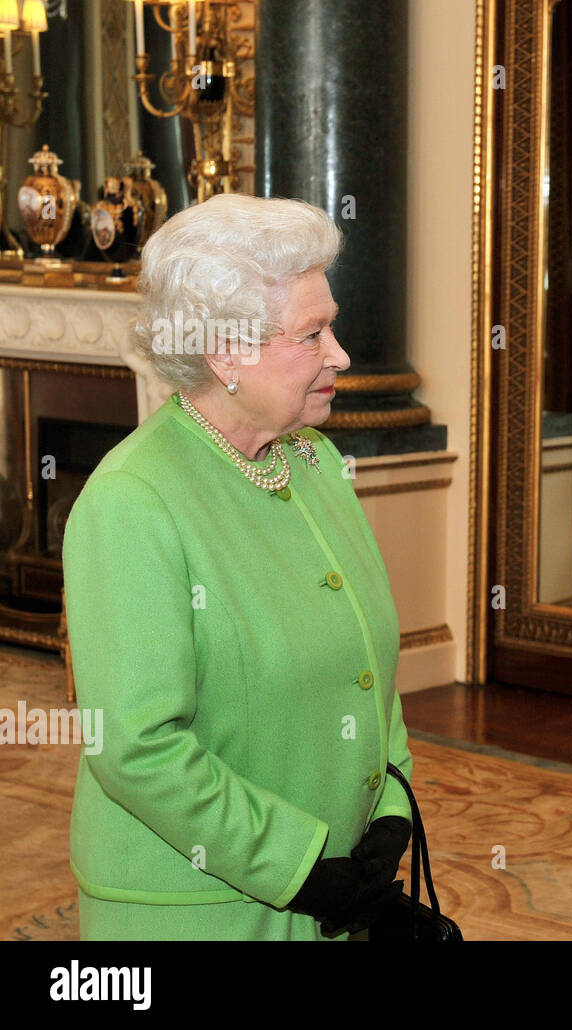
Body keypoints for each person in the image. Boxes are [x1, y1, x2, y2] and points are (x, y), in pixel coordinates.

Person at [62, 194, 416, 940]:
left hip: (334, 890)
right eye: (312, 333)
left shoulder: (315, 463)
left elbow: (364, 663)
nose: (341, 354)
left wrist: (387, 805)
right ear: (225, 351)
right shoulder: (133, 502)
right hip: (200, 909)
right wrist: (302, 864)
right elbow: (137, 746)